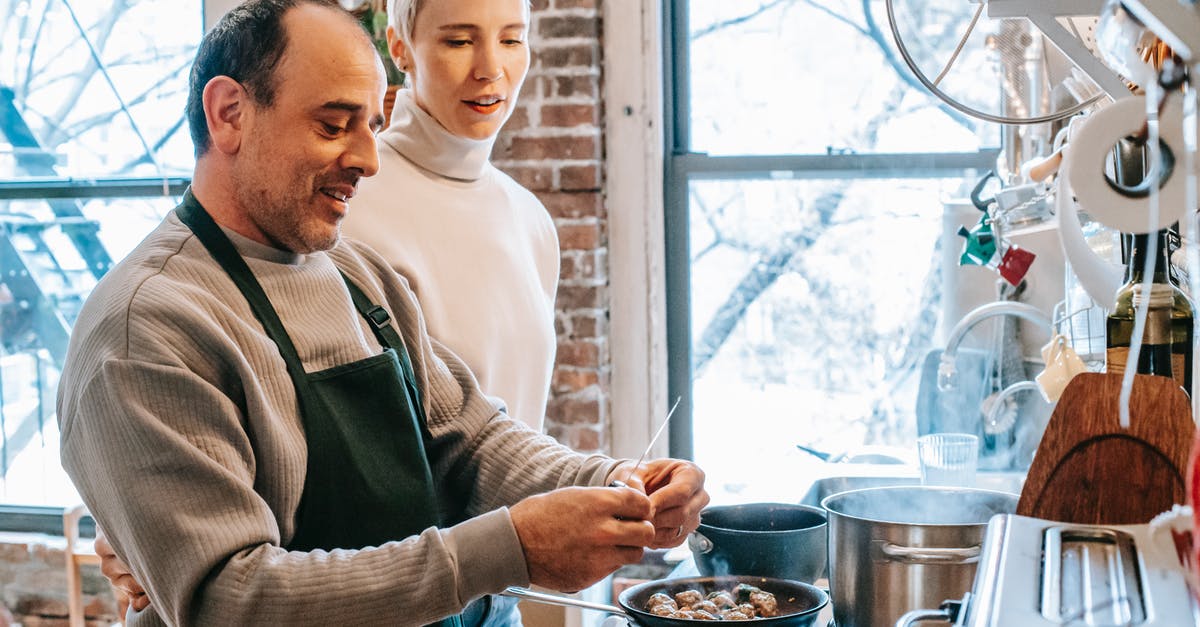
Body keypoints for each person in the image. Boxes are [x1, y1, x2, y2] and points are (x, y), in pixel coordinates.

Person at [57, 1, 708, 624]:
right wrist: (509, 548)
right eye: (334, 125)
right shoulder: (144, 327)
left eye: (372, 123)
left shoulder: (354, 272)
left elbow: (469, 439)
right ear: (229, 113)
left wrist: (612, 482)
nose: (368, 159)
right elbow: (233, 599)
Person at [345, 0, 555, 431]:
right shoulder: (350, 207)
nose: (490, 68)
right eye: (459, 41)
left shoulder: (531, 220)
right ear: (399, 48)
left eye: (512, 39)